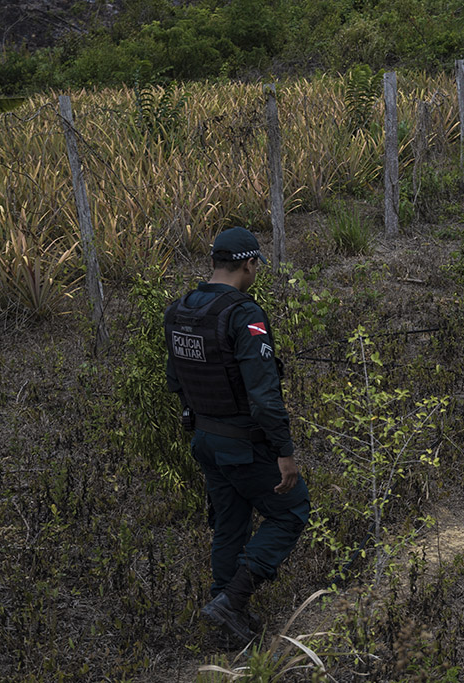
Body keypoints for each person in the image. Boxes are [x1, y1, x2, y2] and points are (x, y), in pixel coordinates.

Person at [164, 226, 310, 648]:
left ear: (214, 261)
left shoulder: (180, 311)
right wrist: (284, 452)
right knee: (291, 510)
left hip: (204, 439)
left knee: (229, 523)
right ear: (249, 263)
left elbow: (176, 381)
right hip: (243, 442)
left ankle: (224, 614)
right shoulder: (244, 313)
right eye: (256, 264)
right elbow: (264, 396)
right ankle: (232, 600)